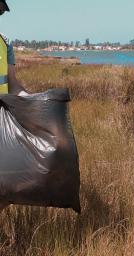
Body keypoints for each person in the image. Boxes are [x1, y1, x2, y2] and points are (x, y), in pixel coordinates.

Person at [0, 0, 28, 212]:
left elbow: (13, 83)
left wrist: (34, 99)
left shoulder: (5, 43)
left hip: (1, 121)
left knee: (7, 186)